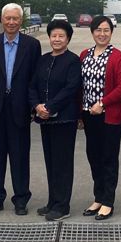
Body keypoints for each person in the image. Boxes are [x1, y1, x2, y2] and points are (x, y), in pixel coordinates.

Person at [0, 2, 41, 215]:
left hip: (20, 108)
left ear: (21, 21)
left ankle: (21, 199)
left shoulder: (32, 45)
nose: (11, 22)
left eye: (15, 18)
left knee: (20, 156)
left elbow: (35, 79)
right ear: (2, 19)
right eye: (8, 18)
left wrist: (33, 106)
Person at [29, 19, 83, 221]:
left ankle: (62, 206)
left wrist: (50, 107)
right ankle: (52, 201)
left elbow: (71, 88)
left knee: (63, 163)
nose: (57, 39)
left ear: (68, 38)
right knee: (50, 162)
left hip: (65, 119)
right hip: (45, 119)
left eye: (61, 36)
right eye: (54, 36)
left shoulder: (72, 61)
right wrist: (37, 106)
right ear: (49, 38)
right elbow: (32, 86)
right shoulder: (43, 60)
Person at [79, 15, 121, 221]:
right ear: (92, 32)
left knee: (108, 158)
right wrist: (80, 113)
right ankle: (98, 197)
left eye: (106, 30)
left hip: (109, 116)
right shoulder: (84, 54)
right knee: (94, 157)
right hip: (88, 116)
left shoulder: (117, 56)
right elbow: (79, 85)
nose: (102, 34)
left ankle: (108, 201)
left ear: (111, 32)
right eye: (98, 30)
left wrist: (103, 103)